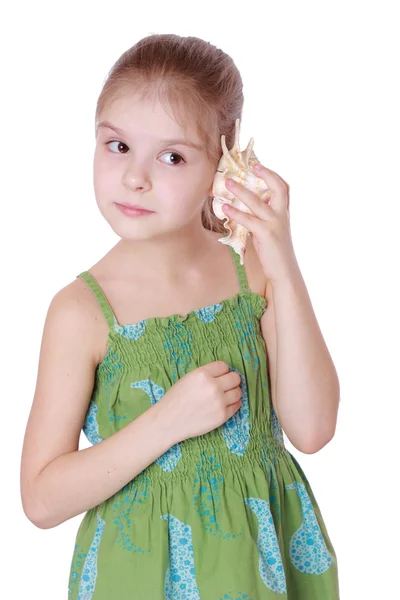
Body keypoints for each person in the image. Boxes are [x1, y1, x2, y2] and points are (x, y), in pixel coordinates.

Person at [20, 33, 340, 599]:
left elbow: (312, 431)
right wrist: (167, 422)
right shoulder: (82, 313)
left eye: (171, 156)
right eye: (117, 146)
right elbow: (42, 500)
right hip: (138, 577)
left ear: (223, 159)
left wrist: (282, 258)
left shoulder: (255, 279)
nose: (136, 177)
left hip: (258, 571)